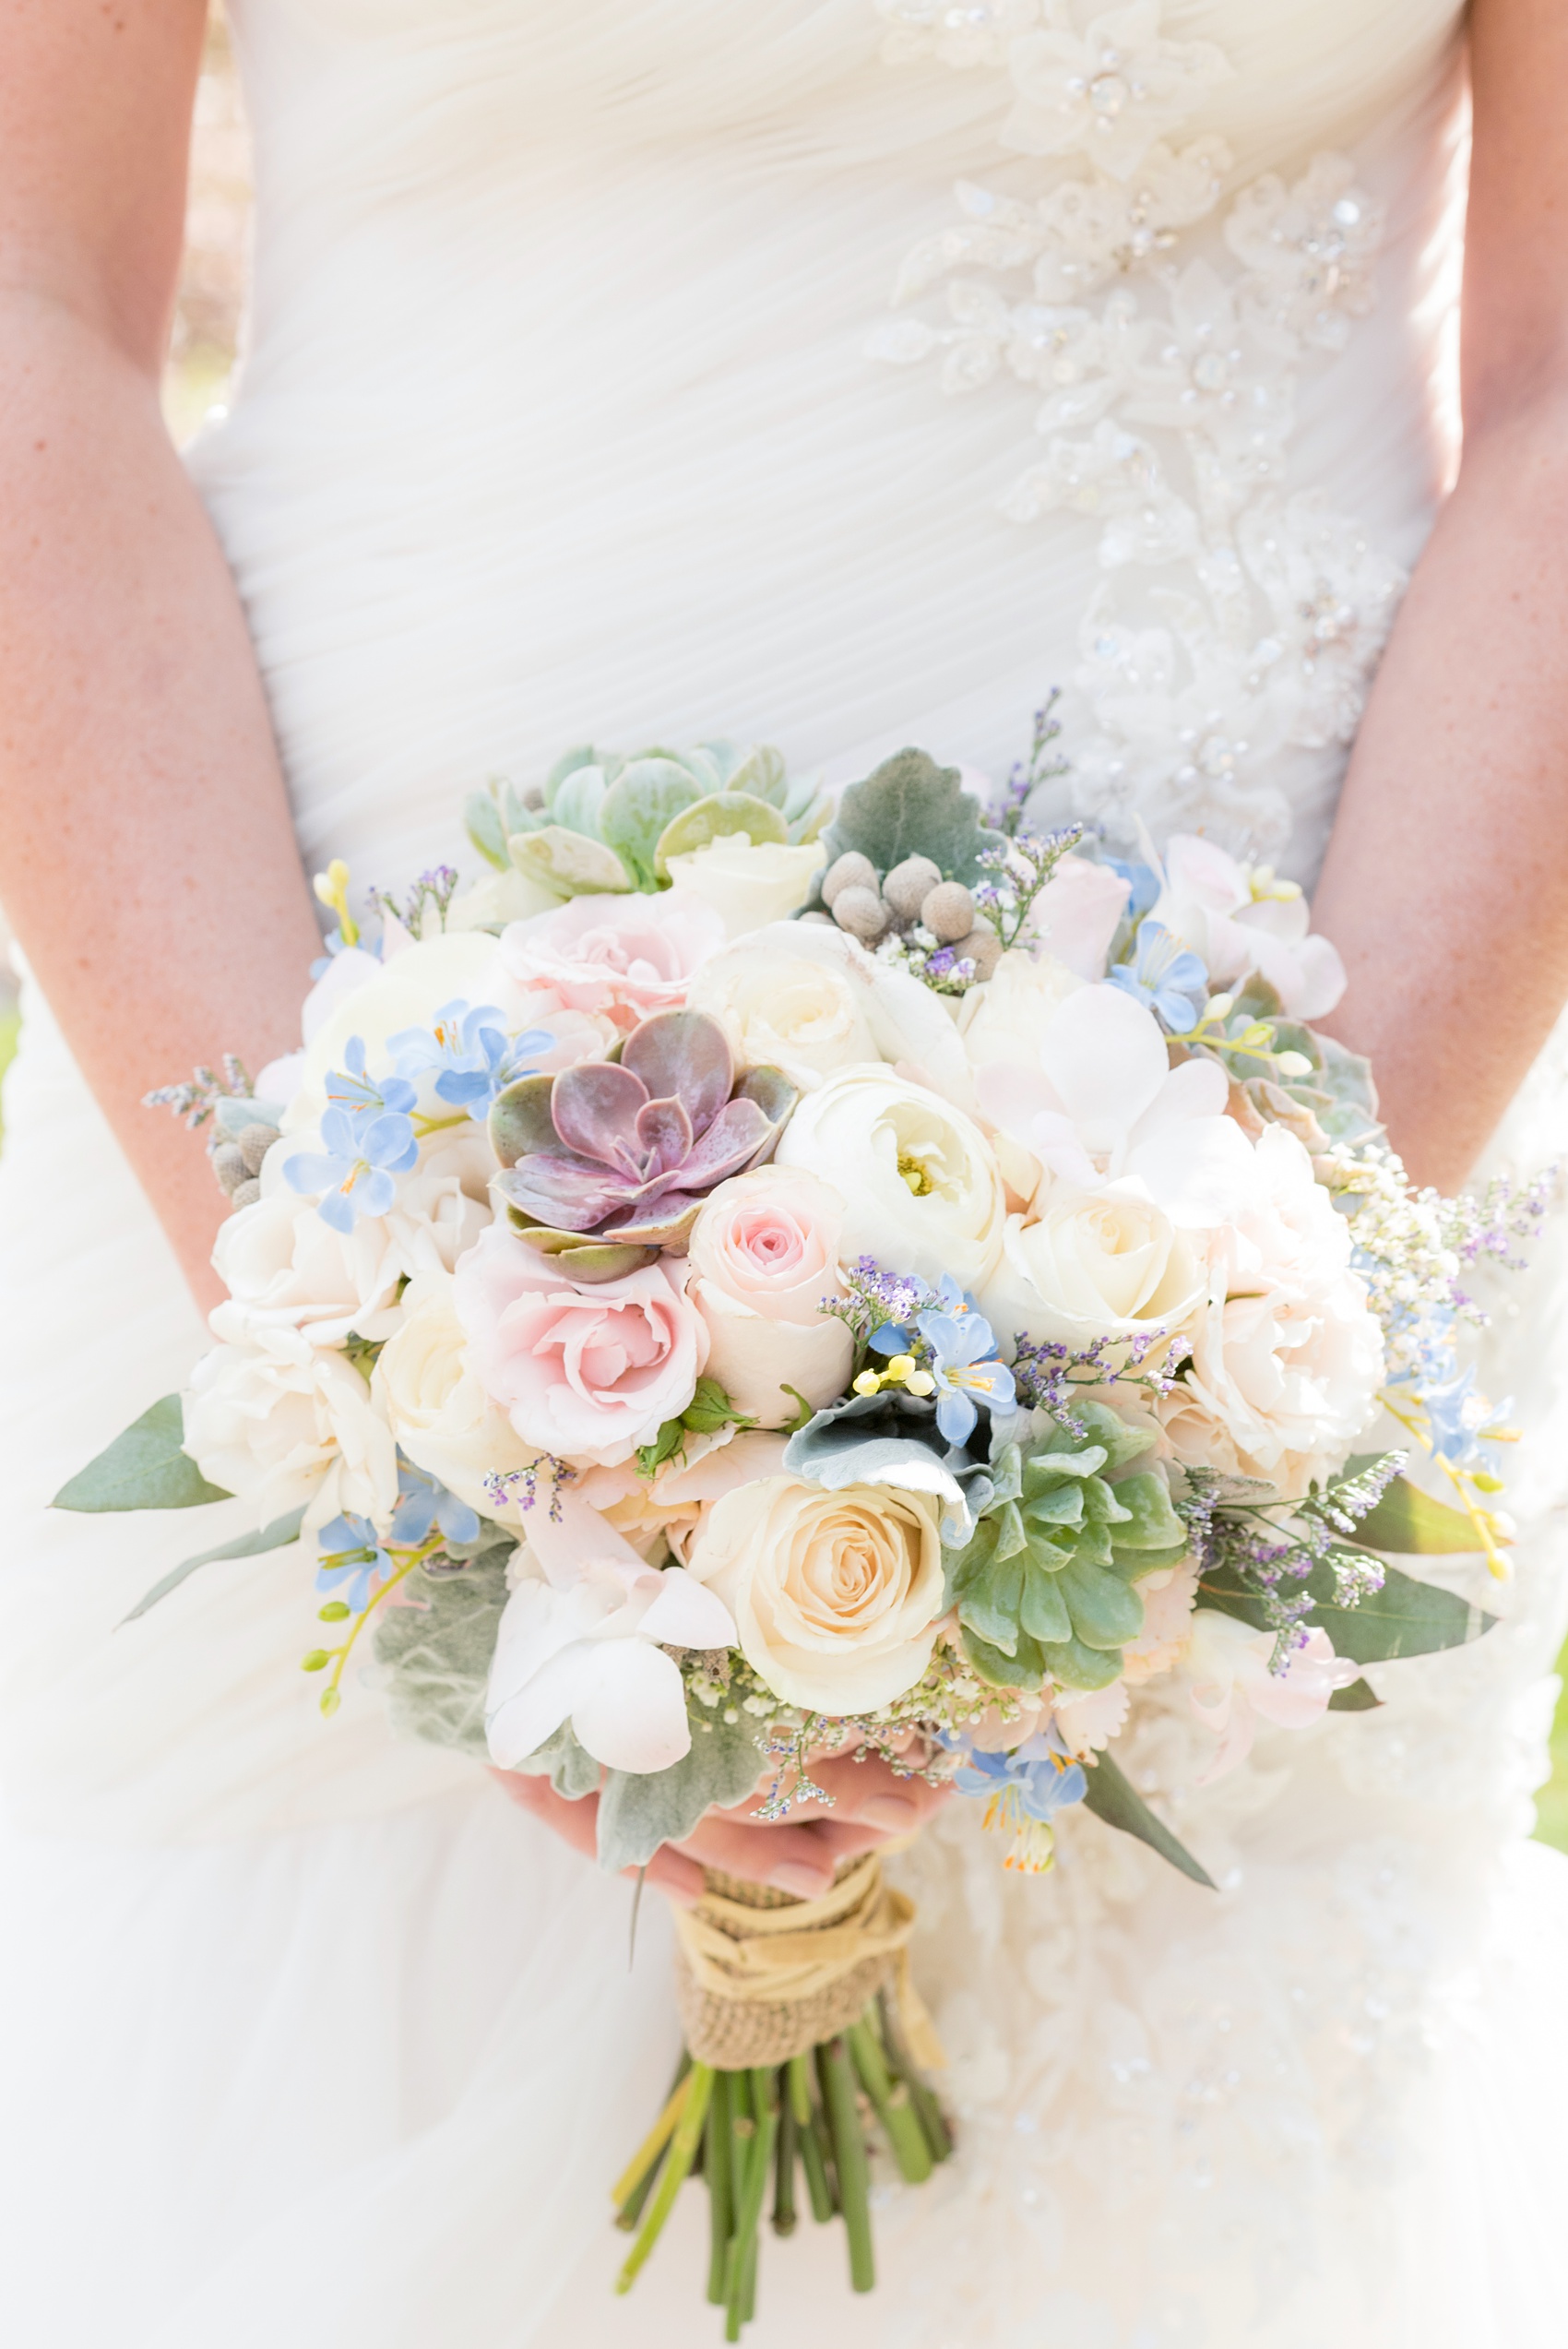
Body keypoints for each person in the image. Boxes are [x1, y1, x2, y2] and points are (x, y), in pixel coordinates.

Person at [1, 3, 1566, 2343]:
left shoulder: (1255, 1286)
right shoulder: (334, 1283)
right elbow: (26, 290)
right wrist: (357, 1331)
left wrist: (1223, 1342)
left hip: (1304, 1127)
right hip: (292, 1089)